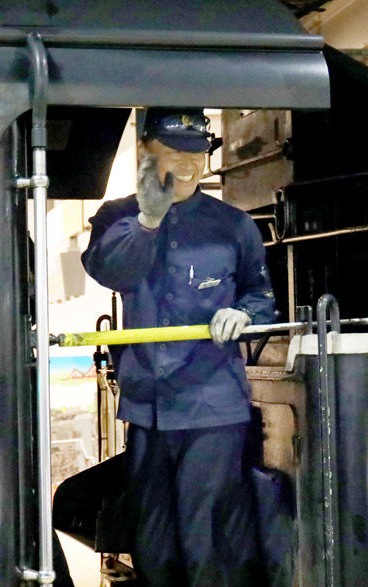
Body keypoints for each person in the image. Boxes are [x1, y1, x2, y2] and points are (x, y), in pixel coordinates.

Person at [81, 108, 277, 586]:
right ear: (145, 153)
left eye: (197, 153)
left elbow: (261, 295)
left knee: (206, 538)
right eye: (173, 152)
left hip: (213, 406)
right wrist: (147, 221)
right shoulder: (116, 217)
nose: (188, 165)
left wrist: (245, 314)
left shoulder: (234, 225)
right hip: (147, 407)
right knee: (151, 540)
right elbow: (109, 271)